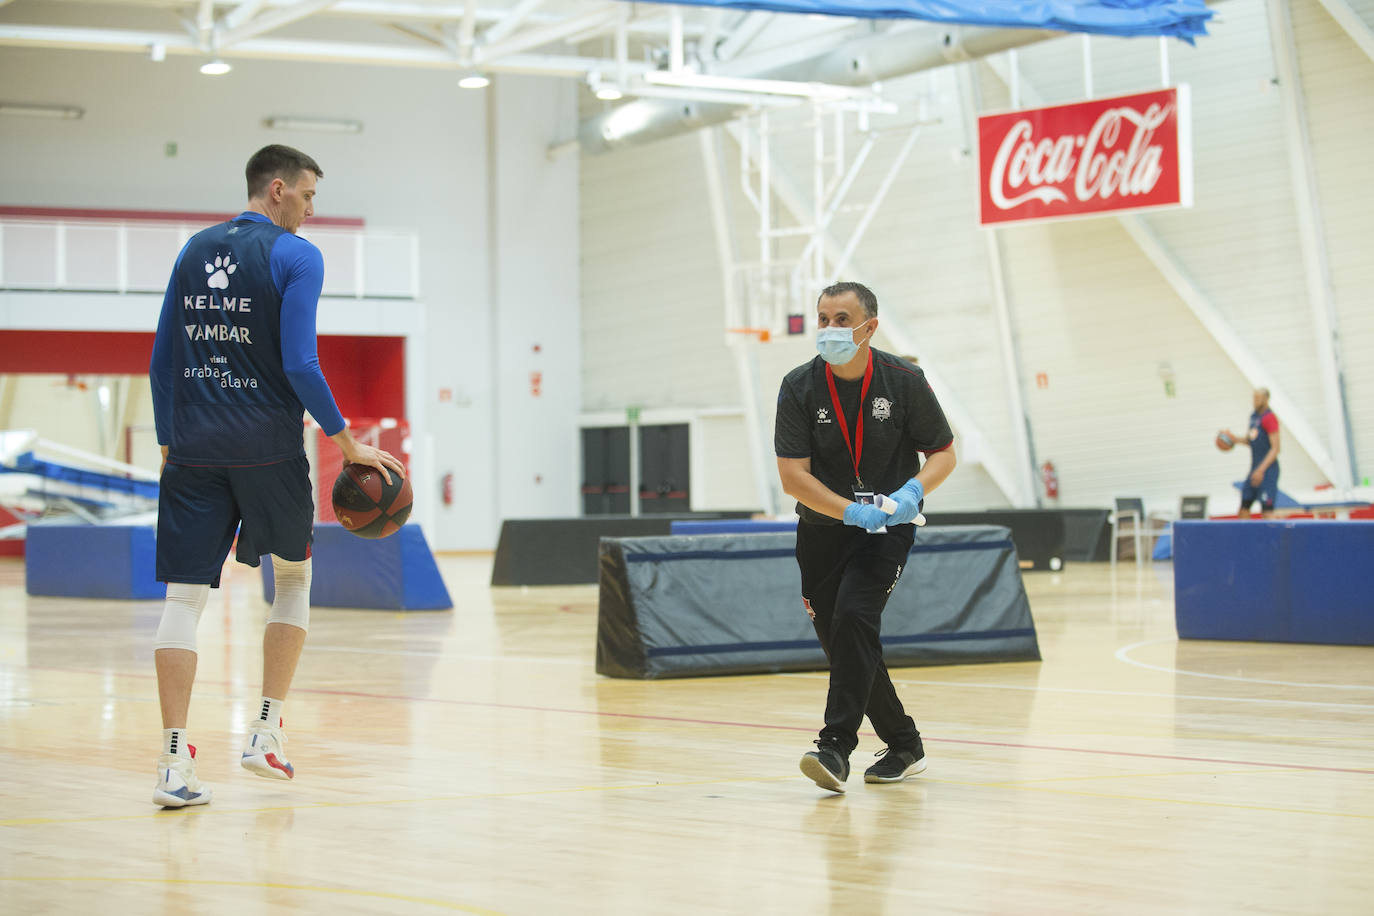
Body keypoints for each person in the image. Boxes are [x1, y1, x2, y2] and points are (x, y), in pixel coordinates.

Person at [148, 144, 404, 807]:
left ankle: (173, 764)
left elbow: (161, 359)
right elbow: (300, 363)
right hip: (267, 448)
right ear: (278, 190)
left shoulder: (192, 251)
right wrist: (348, 444)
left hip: (195, 446)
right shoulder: (297, 256)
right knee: (291, 578)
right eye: (310, 196)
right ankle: (265, 730)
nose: (313, 210)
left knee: (183, 598)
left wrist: (169, 439)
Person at [774, 281, 956, 793]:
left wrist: (912, 493)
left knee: (855, 616)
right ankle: (904, 743)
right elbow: (793, 476)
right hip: (822, 532)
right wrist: (850, 512)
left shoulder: (904, 380)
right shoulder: (798, 387)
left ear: (868, 327)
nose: (829, 329)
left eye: (840, 319)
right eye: (823, 318)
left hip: (888, 531)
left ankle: (834, 748)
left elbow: (943, 453)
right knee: (844, 641)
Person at [1224, 388, 1281, 518]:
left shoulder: (1269, 418)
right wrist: (1234, 439)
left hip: (1267, 471)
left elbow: (1276, 448)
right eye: (1253, 398)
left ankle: (1272, 538)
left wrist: (1261, 470)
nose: (1254, 401)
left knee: (1267, 512)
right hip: (1254, 468)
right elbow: (1251, 440)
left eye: (1257, 398)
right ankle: (1244, 537)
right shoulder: (1254, 417)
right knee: (1244, 508)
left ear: (1266, 399)